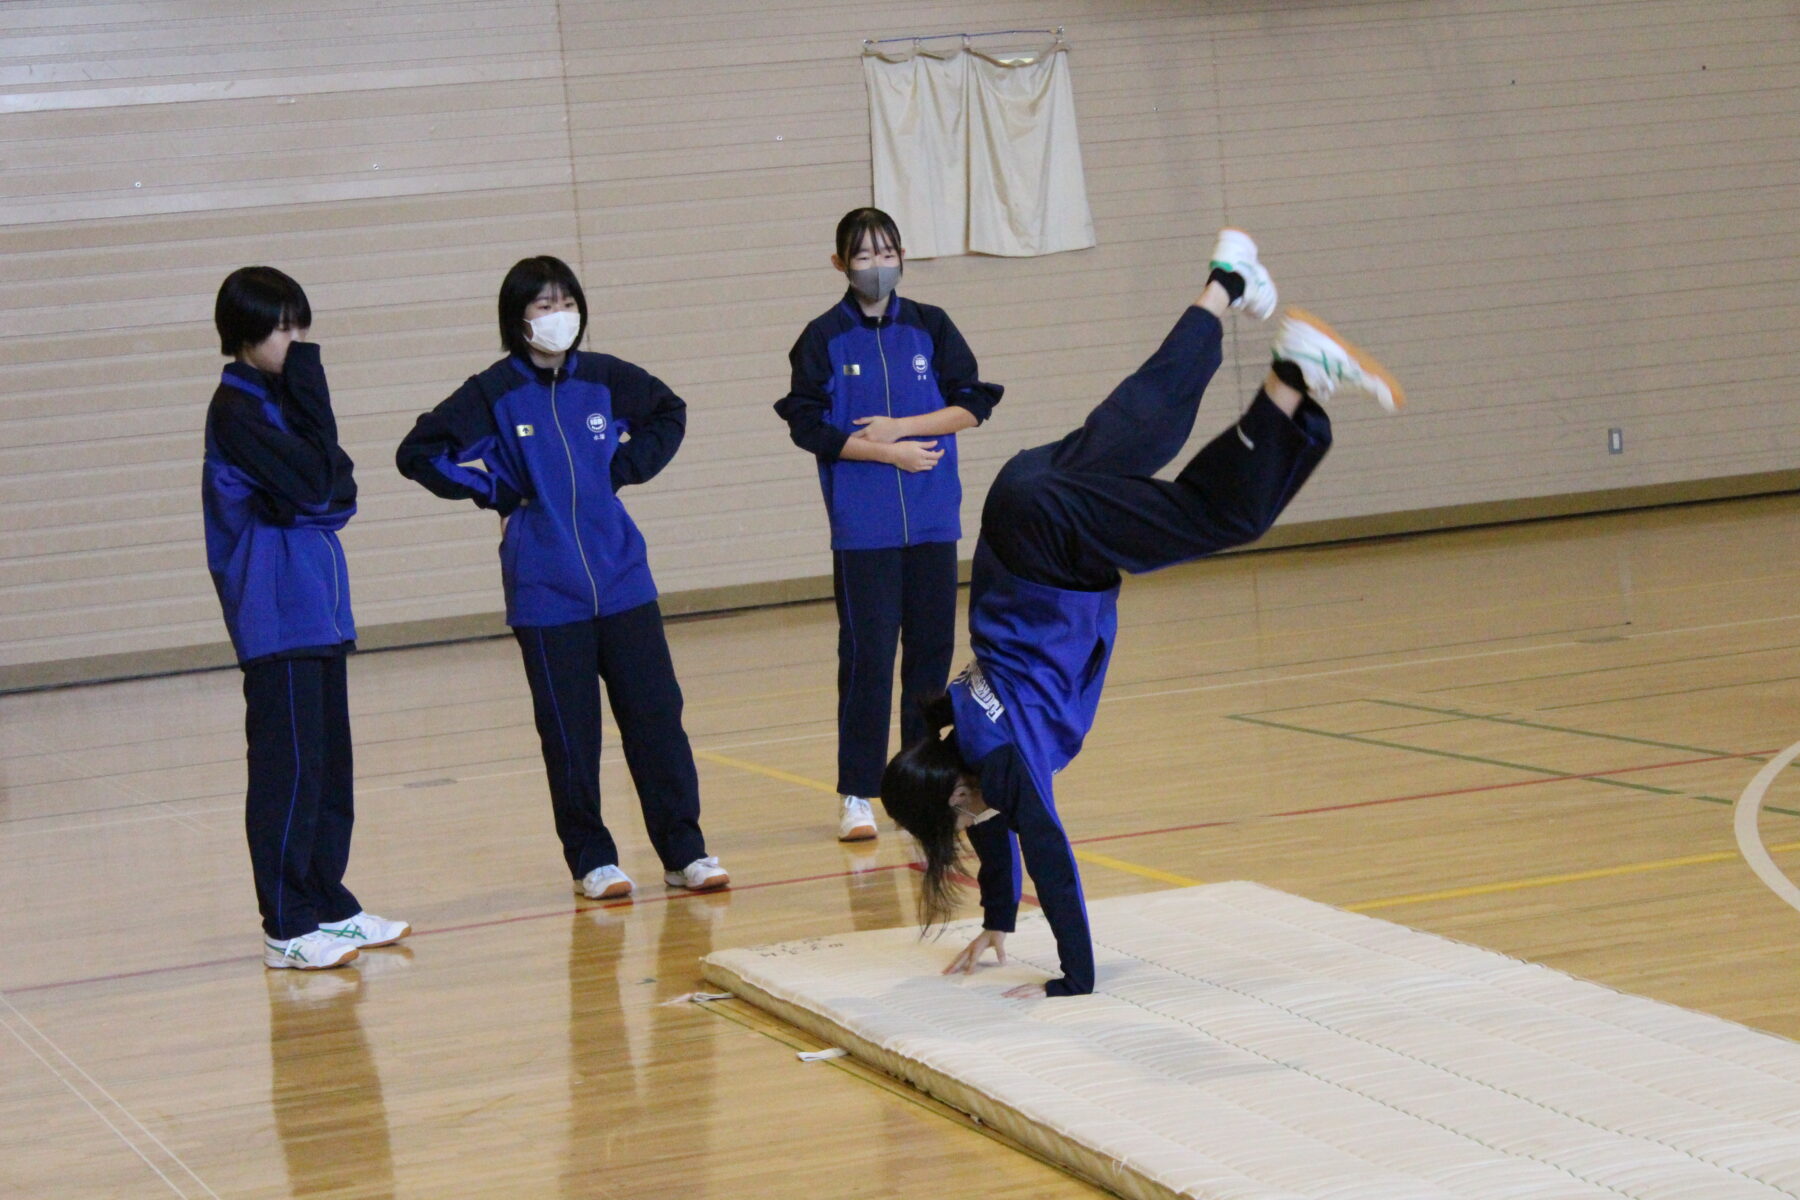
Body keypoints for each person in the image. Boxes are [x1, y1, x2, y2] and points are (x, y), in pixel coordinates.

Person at [879, 231, 1402, 997]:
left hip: (1055, 548)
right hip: (1020, 504)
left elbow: (1047, 857)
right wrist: (999, 921)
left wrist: (1073, 981)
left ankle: (1294, 376)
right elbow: (995, 833)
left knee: (1217, 516)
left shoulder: (998, 764)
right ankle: (1226, 279)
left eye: (952, 822)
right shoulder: (962, 741)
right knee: (1154, 412)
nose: (965, 830)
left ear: (957, 794)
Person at [396, 256, 727, 901]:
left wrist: (623, 469)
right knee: (571, 735)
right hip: (546, 594)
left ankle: (683, 850)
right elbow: (417, 452)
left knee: (658, 720)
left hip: (625, 581)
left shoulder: (604, 378)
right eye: (544, 305)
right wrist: (492, 486)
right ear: (518, 319)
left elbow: (669, 410)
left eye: (567, 301)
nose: (559, 316)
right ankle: (592, 860)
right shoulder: (492, 391)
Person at [204, 266, 410, 970]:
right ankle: (286, 923)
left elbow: (337, 489)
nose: (296, 340)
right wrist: (312, 487)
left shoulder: (283, 401)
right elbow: (317, 481)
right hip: (276, 614)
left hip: (319, 611)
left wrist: (310, 489)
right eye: (283, 327)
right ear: (245, 332)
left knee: (327, 770)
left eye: (302, 326)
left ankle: (328, 904)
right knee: (287, 773)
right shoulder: (236, 411)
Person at [775, 208, 1003, 843]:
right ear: (840, 264)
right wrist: (882, 453)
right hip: (864, 531)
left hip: (933, 523)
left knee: (929, 662)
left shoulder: (932, 326)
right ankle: (857, 793)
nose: (877, 266)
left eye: (886, 253)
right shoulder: (823, 337)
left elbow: (972, 404)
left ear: (902, 256)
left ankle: (920, 787)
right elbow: (806, 424)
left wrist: (903, 429)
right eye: (863, 256)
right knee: (869, 657)